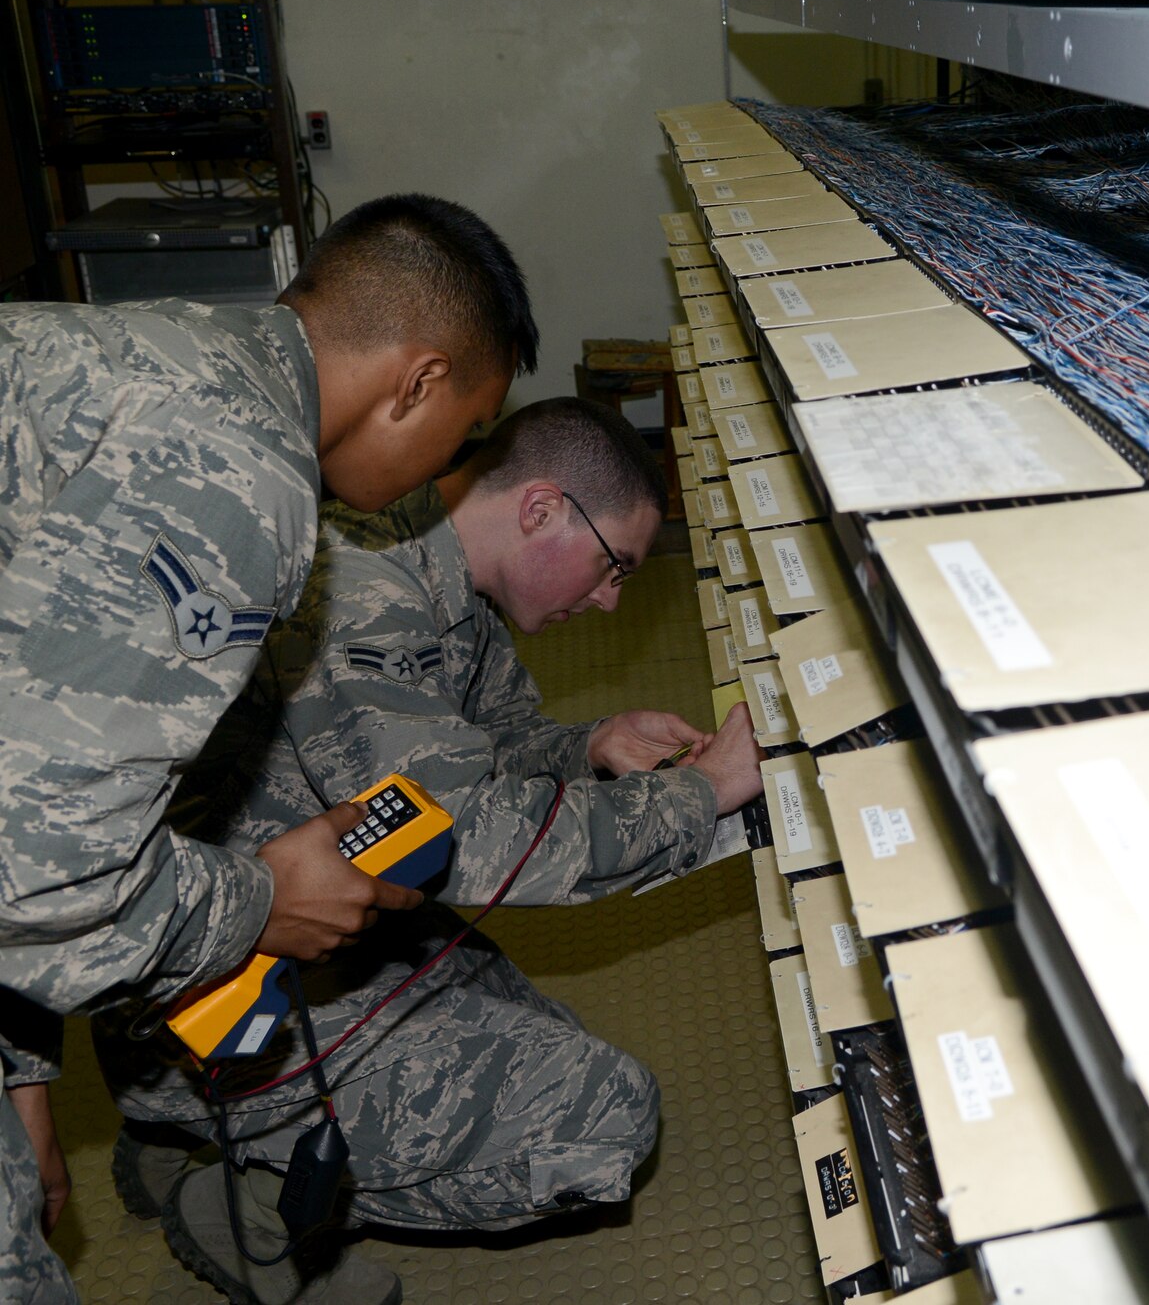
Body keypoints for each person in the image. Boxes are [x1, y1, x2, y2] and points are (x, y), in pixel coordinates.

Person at [98, 397, 763, 1303]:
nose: (609, 600)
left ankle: (188, 1136)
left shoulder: (435, 559)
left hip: (310, 933)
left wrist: (590, 743)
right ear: (539, 510)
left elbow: (486, 749)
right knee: (602, 1118)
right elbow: (466, 841)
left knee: (543, 1048)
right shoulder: (368, 602)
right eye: (614, 568)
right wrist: (704, 794)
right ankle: (243, 1194)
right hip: (219, 983)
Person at [0, 193, 537, 1305]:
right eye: (467, 430)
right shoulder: (239, 477)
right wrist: (258, 901)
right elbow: (43, 871)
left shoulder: (164, 350)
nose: (458, 465)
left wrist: (23, 1087)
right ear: (420, 379)